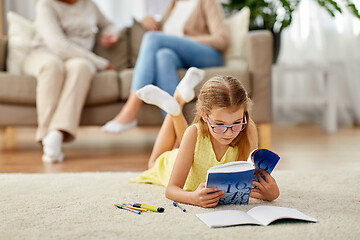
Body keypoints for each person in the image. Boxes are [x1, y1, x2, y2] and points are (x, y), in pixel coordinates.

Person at [131, 72, 280, 208]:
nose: (228, 133)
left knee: (194, 141)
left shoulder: (248, 129)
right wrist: (192, 198)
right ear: (204, 116)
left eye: (236, 123)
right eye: (220, 124)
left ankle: (177, 103)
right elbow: (171, 190)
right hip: (174, 163)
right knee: (153, 163)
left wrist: (271, 193)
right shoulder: (193, 133)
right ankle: (176, 106)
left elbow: (251, 179)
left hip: (194, 151)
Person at [102, 0, 229, 133]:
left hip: (208, 55)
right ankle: (174, 131)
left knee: (151, 38)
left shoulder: (206, 2)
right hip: (179, 57)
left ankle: (130, 111)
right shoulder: (173, 6)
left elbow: (222, 39)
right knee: (163, 56)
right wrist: (147, 22)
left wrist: (181, 41)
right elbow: (164, 38)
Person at [22, 0, 119, 163]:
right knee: (53, 67)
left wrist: (110, 33)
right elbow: (58, 45)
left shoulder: (89, 5)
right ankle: (45, 133)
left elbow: (110, 24)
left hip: (77, 58)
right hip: (44, 54)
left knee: (82, 67)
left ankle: (56, 134)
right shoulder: (45, 5)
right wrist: (101, 63)